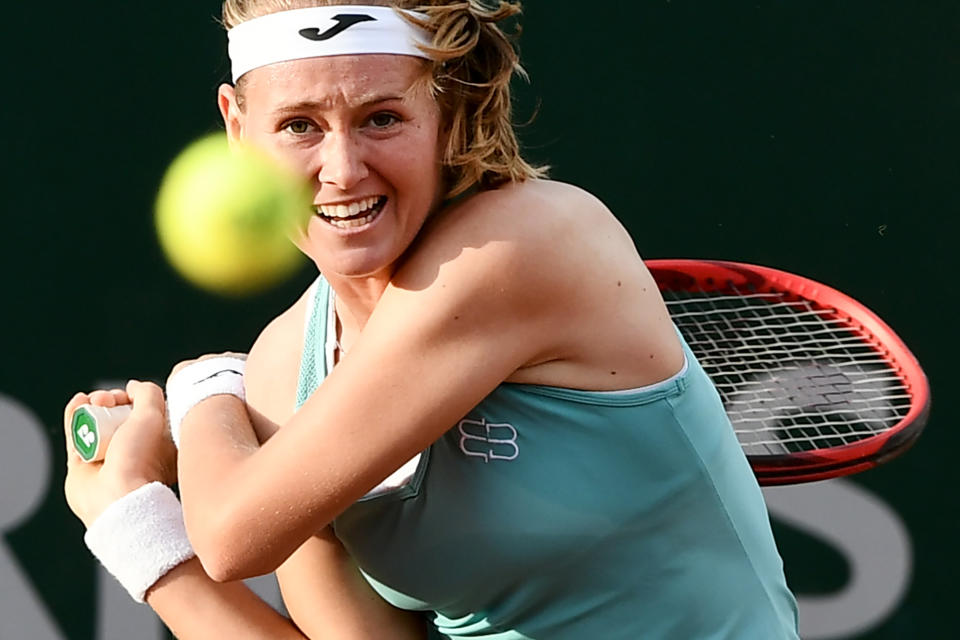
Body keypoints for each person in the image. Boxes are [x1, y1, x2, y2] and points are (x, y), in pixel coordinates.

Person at [63, 1, 800, 638]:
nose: (343, 169)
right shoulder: (285, 370)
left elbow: (230, 536)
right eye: (298, 126)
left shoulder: (521, 245)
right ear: (236, 126)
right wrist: (133, 525)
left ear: (445, 115)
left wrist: (205, 395)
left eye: (382, 117)